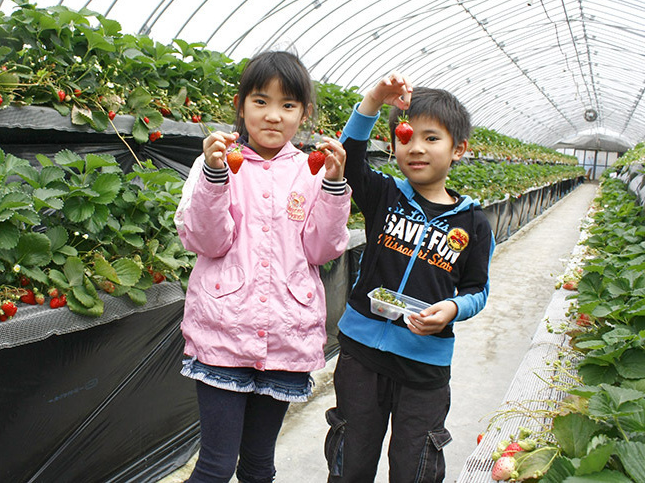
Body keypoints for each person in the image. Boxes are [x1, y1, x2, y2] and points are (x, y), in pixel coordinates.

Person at [173, 50, 352, 483]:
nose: (273, 116)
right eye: (261, 101)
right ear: (241, 105)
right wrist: (216, 177)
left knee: (258, 466)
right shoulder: (214, 163)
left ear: (304, 113)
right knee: (215, 466)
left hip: (285, 336)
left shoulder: (311, 171)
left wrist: (332, 186)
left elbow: (322, 250)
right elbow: (205, 240)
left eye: (288, 105)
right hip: (224, 329)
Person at [324, 73, 495, 482]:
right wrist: (372, 101)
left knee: (414, 464)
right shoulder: (385, 195)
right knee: (352, 456)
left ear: (458, 149)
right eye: (405, 137)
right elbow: (349, 156)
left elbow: (478, 289)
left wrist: (452, 308)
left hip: (425, 362)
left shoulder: (474, 223)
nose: (415, 148)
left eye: (431, 138)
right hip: (362, 351)